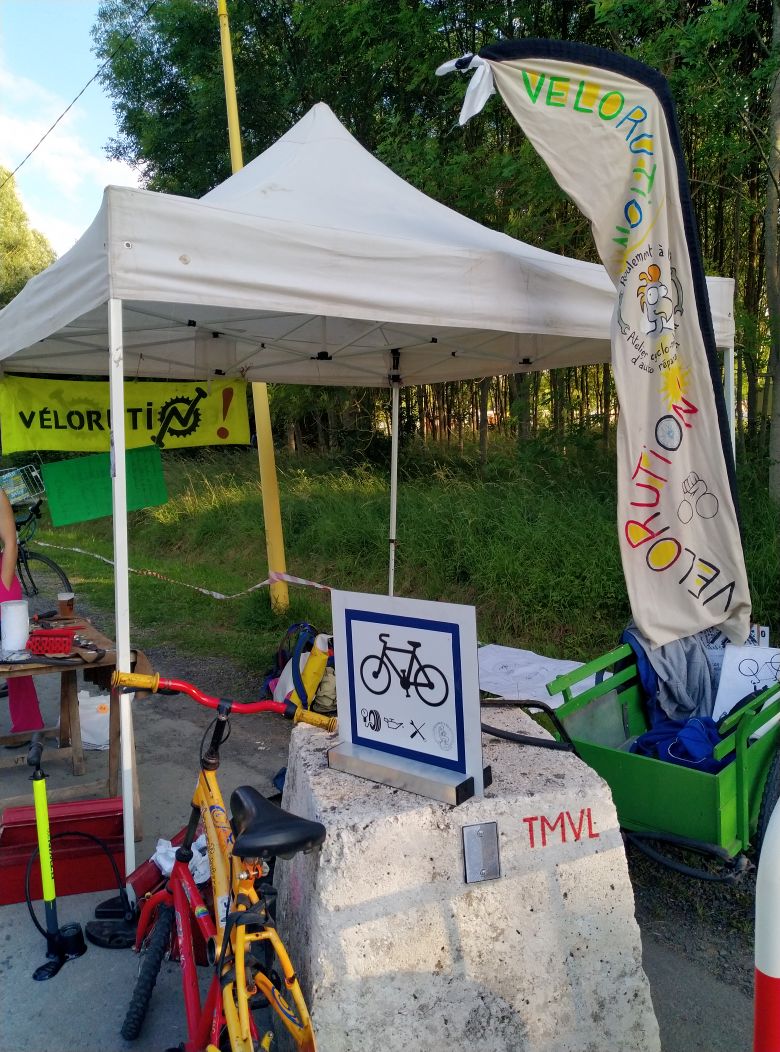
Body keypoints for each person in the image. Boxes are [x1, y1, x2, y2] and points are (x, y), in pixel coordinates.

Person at [0, 489, 44, 732]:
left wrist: (4, 582)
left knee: (14, 654)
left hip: (0, 584)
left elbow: (10, 541)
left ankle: (27, 724)